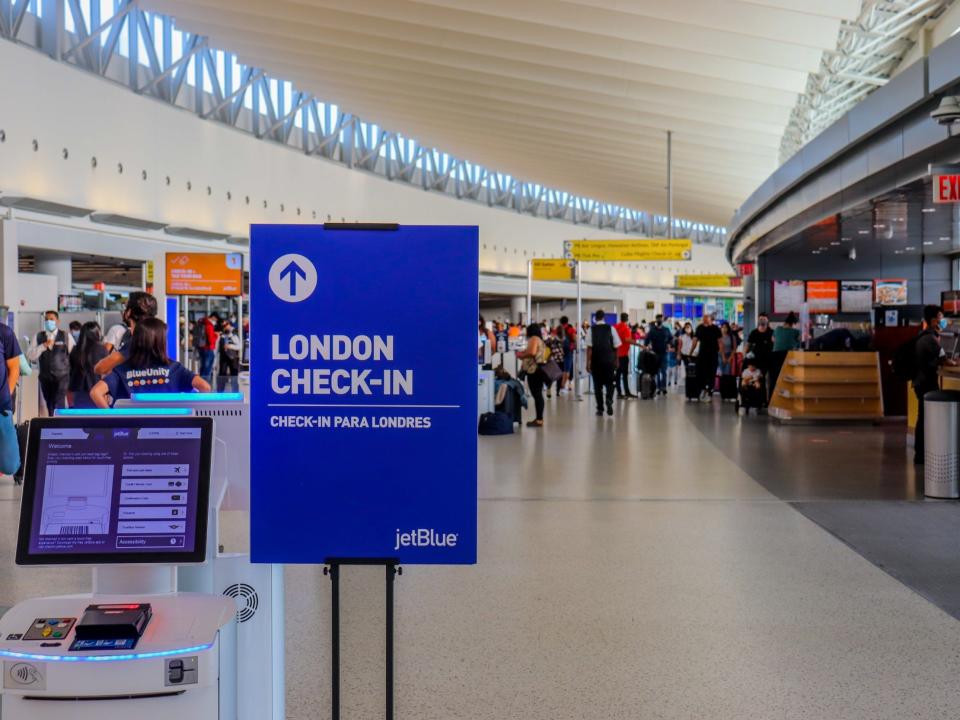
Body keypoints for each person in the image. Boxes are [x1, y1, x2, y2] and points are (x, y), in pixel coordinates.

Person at [90, 318, 210, 408]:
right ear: (160, 342)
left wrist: (113, 419)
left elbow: (96, 392)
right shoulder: (174, 369)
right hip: (169, 429)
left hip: (133, 432)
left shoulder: (122, 371)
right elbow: (205, 387)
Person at [913, 305, 955, 464]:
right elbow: (946, 361)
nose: (942, 320)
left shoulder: (923, 336)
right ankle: (922, 455)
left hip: (920, 382)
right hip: (926, 383)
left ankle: (921, 454)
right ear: (932, 320)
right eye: (940, 317)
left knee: (923, 418)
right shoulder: (930, 339)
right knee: (925, 419)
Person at [95, 291, 158, 376]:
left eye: (125, 307)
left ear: (129, 312)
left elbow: (100, 368)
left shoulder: (134, 341)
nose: (123, 311)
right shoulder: (157, 336)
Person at [27, 310, 74, 415]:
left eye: (51, 319)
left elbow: (73, 354)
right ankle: (52, 423)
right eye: (46, 320)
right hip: (45, 376)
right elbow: (30, 355)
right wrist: (43, 346)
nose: (49, 322)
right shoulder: (39, 336)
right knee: (50, 403)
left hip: (63, 376)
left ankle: (60, 425)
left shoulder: (66, 336)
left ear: (57, 321)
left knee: (59, 401)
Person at [586, 309, 620, 416]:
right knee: (610, 383)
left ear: (595, 318)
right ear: (604, 318)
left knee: (597, 386)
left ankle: (600, 408)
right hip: (609, 361)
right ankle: (609, 399)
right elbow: (616, 346)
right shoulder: (611, 328)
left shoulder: (591, 329)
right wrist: (616, 360)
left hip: (596, 361)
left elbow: (589, 348)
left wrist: (588, 362)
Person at [68, 322, 107, 409]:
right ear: (97, 333)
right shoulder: (101, 349)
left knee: (81, 420)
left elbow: (70, 374)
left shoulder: (75, 350)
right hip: (98, 392)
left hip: (78, 393)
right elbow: (106, 373)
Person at [516, 323, 547, 427]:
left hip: (534, 370)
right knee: (538, 395)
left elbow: (532, 353)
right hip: (539, 370)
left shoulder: (533, 338)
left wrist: (521, 355)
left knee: (537, 395)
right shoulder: (540, 340)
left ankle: (539, 419)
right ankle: (539, 419)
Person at [691, 314, 722, 400]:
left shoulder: (715, 329)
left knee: (711, 373)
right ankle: (703, 389)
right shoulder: (699, 328)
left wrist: (721, 353)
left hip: (713, 354)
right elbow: (695, 340)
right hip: (702, 354)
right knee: (700, 372)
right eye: (703, 319)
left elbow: (720, 342)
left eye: (706, 319)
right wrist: (691, 351)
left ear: (710, 319)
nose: (704, 320)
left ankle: (709, 391)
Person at [770, 312, 801, 391]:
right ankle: (786, 395)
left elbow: (773, 339)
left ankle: (773, 398)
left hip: (775, 355)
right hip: (788, 355)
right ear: (793, 323)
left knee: (775, 377)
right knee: (788, 376)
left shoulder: (777, 329)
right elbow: (801, 340)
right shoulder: (796, 331)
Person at [645, 315, 671, 395]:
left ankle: (664, 387)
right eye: (658, 319)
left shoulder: (666, 330)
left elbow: (670, 339)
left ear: (662, 320)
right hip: (655, 354)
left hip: (664, 353)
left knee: (664, 371)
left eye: (660, 319)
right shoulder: (652, 330)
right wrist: (648, 346)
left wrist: (669, 345)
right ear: (656, 320)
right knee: (657, 372)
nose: (659, 320)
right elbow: (647, 341)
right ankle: (658, 388)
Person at [613, 312, 636, 399]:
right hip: (623, 355)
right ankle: (626, 392)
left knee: (618, 374)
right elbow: (627, 339)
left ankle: (619, 393)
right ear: (627, 319)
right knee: (624, 375)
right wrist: (636, 342)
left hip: (616, 355)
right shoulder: (626, 328)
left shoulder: (615, 327)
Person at [217, 318, 242, 392]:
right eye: (223, 325)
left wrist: (230, 346)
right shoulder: (221, 336)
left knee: (234, 374)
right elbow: (217, 349)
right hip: (223, 358)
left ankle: (235, 391)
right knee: (222, 374)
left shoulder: (234, 336)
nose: (225, 327)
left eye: (226, 325)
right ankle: (220, 392)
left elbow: (239, 346)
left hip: (232, 358)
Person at [193, 313, 219, 383]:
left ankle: (200, 384)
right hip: (208, 349)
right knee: (207, 369)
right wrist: (216, 335)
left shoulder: (201, 323)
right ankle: (205, 386)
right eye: (216, 319)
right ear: (213, 317)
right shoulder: (209, 325)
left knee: (203, 368)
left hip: (201, 348)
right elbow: (211, 340)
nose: (215, 321)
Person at [543, 326, 565, 397]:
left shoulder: (555, 339)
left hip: (556, 360)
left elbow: (545, 343)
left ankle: (554, 390)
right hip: (557, 360)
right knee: (556, 376)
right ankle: (555, 390)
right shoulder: (559, 340)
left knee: (554, 375)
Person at [559, 316, 576, 393]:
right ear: (567, 321)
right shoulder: (571, 329)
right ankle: (563, 386)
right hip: (568, 350)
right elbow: (574, 339)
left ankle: (561, 385)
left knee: (561, 369)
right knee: (567, 369)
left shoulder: (558, 329)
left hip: (559, 351)